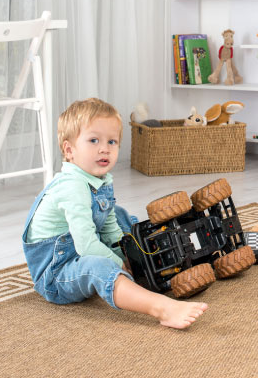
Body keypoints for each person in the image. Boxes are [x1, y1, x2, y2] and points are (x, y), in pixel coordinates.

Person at [22, 98, 207, 329]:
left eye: (112, 141)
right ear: (69, 150)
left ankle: (150, 258)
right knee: (101, 268)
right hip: (57, 272)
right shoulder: (72, 186)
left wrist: (126, 253)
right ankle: (161, 308)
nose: (104, 148)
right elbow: (87, 247)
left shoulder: (101, 180)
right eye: (93, 140)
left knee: (119, 216)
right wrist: (118, 263)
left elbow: (110, 229)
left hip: (82, 245)